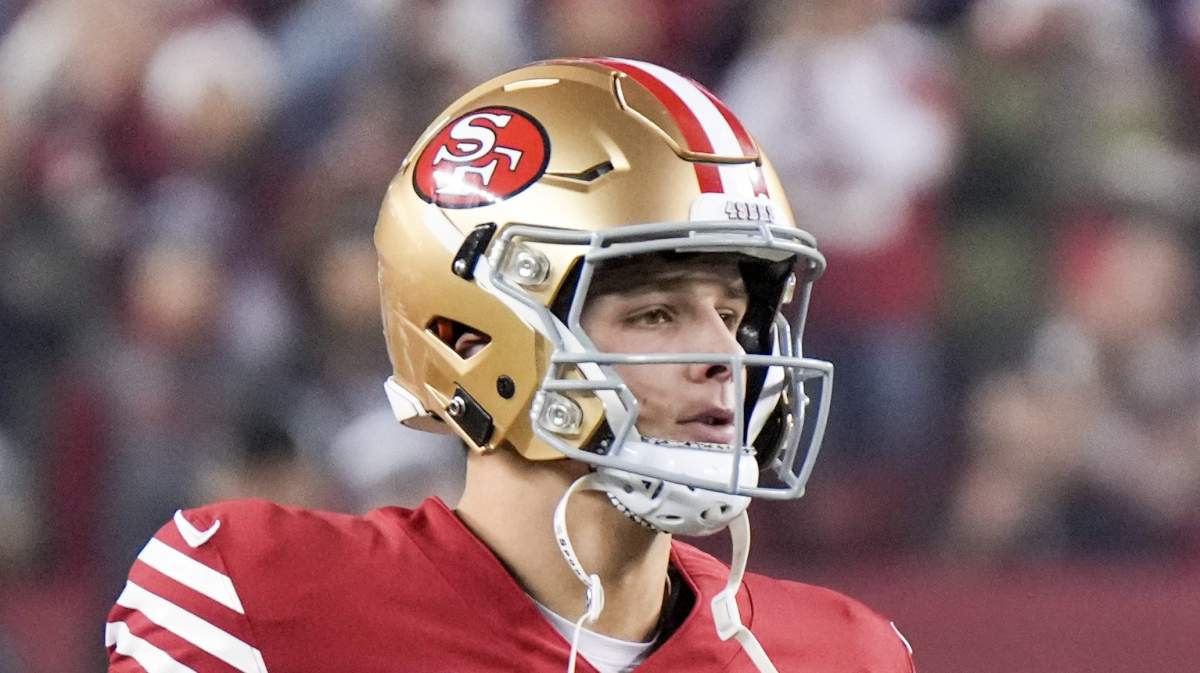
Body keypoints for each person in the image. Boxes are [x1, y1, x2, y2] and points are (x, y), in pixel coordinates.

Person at [104, 58, 915, 673]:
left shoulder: (844, 655)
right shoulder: (254, 598)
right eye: (656, 313)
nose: (725, 358)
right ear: (470, 335)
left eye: (734, 317)